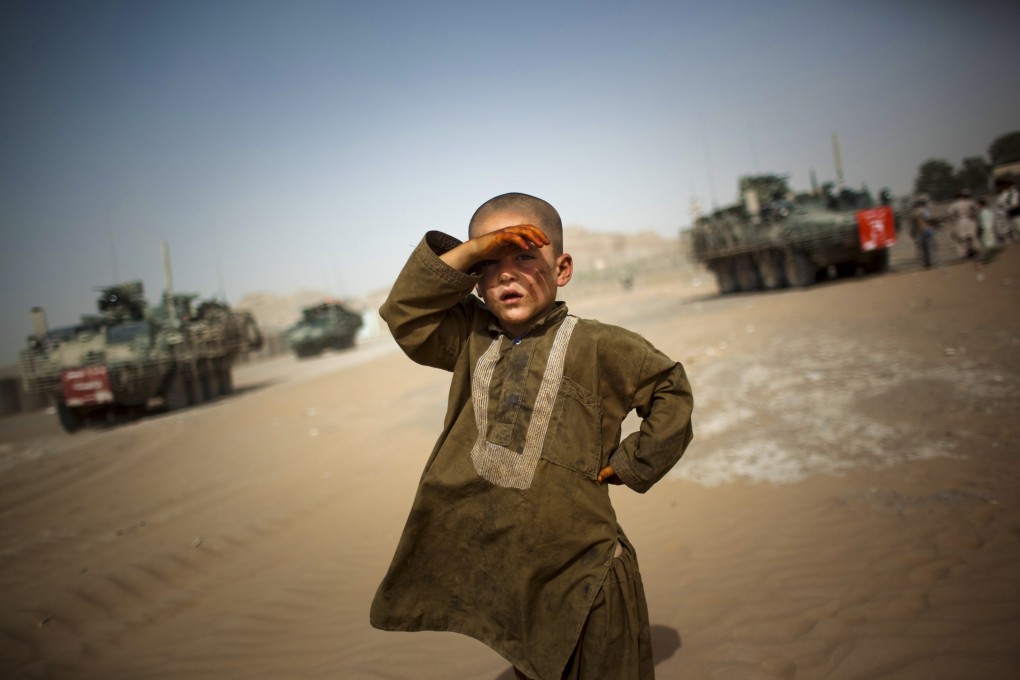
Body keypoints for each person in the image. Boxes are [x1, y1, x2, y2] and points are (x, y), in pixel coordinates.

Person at [370, 192, 695, 680]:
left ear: (562, 269)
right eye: (489, 262)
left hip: (588, 575)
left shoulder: (600, 344)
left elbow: (670, 388)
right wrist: (469, 251)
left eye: (524, 257)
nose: (506, 274)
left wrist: (634, 463)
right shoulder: (469, 339)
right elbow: (405, 313)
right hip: (517, 583)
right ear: (475, 280)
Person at [946, 188, 982, 262]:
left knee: (963, 238)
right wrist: (974, 214)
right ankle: (977, 251)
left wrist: (954, 219)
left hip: (960, 221)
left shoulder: (954, 204)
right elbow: (977, 208)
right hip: (970, 220)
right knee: (973, 236)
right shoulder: (969, 202)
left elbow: (950, 214)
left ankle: (965, 254)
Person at [910, 195, 938, 268]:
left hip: (919, 232)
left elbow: (913, 223)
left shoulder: (915, 212)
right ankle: (931, 262)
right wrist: (936, 222)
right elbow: (928, 219)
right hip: (927, 230)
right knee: (930, 247)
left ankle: (925, 263)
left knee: (922, 249)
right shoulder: (924, 210)